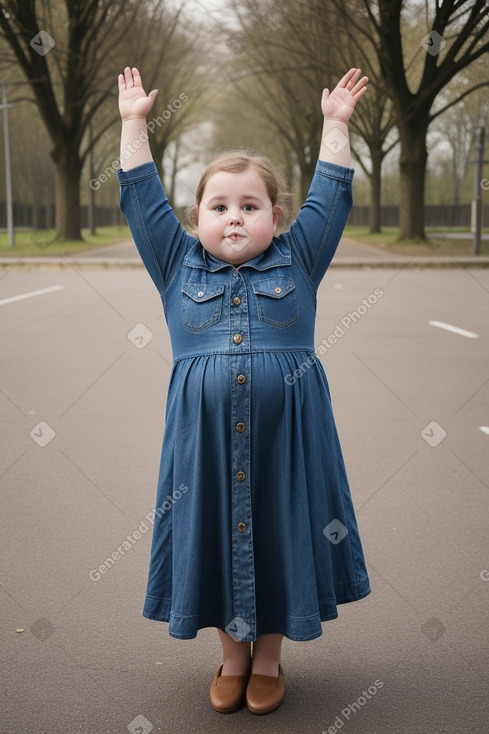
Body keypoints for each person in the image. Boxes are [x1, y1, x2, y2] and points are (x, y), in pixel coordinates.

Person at [117, 65, 371, 716]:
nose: (234, 217)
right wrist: (133, 125)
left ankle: (268, 659)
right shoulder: (177, 265)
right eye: (219, 206)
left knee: (282, 529)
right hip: (202, 448)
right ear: (195, 216)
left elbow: (332, 196)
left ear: (274, 216)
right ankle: (231, 658)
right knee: (217, 533)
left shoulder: (299, 258)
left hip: (289, 443)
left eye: (249, 206)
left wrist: (335, 127)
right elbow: (140, 195)